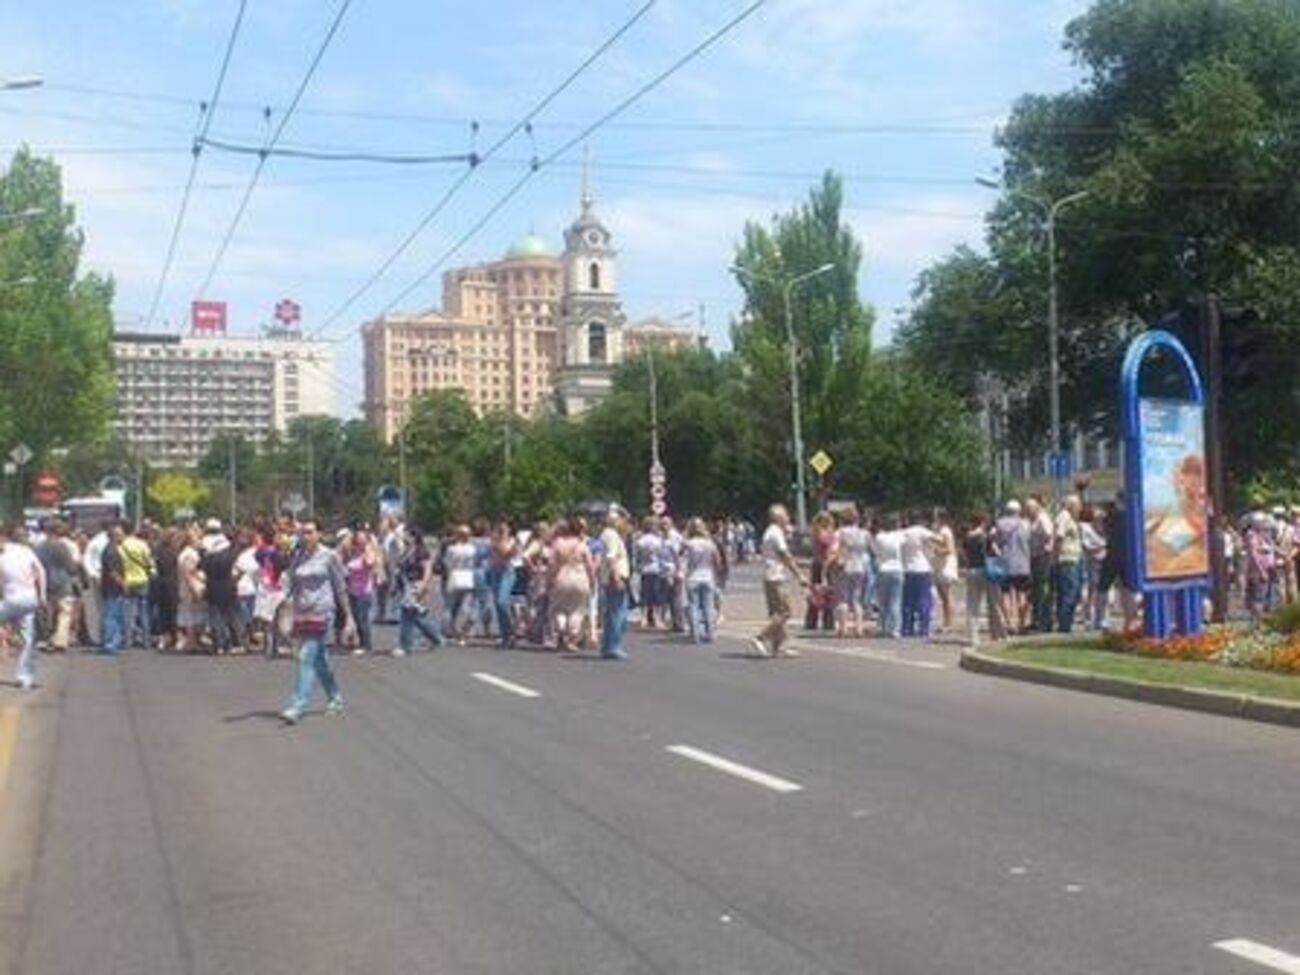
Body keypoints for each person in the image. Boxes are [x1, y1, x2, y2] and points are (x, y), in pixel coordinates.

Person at [280, 519, 355, 724]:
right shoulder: (299, 556)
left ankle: (297, 706)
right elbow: (291, 584)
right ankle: (335, 696)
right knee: (319, 661)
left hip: (323, 612)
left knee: (306, 658)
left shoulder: (330, 556)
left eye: (310, 532)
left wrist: (349, 616)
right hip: (302, 612)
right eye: (303, 532)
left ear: (319, 534)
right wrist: (284, 608)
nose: (306, 536)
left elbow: (340, 587)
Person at [752, 504, 807, 658]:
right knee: (785, 612)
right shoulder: (776, 533)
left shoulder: (771, 532)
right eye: (786, 515)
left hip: (770, 576)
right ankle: (760, 637)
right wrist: (799, 575)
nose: (789, 518)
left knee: (777, 613)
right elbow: (785, 556)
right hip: (776, 577)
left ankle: (777, 648)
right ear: (779, 517)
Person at [0, 523, 47, 690]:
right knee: (28, 639)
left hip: (11, 599)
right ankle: (25, 678)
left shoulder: (3, 553)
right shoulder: (27, 551)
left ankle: (6, 638)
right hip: (30, 599)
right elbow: (41, 571)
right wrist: (42, 595)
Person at [548, 518, 596, 653]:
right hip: (580, 578)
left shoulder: (557, 543)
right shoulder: (582, 546)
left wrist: (549, 581)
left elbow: (552, 565)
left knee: (559, 609)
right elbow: (590, 566)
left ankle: (561, 630)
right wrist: (593, 582)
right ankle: (571, 636)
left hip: (562, 578)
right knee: (577, 610)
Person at [396, 528, 445, 655]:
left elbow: (427, 569)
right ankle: (436, 637)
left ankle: (405, 646)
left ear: (413, 537)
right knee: (414, 616)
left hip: (416, 584)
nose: (403, 537)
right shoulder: (407, 550)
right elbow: (401, 568)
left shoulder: (421, 551)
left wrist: (423, 584)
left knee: (406, 614)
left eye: (406, 535)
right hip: (407, 584)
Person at [34, 519, 79, 654]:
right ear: (58, 530)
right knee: (64, 613)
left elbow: (36, 566)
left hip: (45, 582)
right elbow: (71, 567)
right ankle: (60, 641)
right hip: (63, 583)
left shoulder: (39, 547)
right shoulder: (62, 547)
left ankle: (44, 639)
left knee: (46, 613)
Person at [962, 514, 1006, 644]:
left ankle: (973, 637)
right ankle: (998, 634)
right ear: (982, 523)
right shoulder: (986, 537)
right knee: (993, 604)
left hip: (972, 571)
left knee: (973, 605)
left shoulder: (967, 537)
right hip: (987, 571)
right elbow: (996, 553)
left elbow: (964, 555)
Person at [200, 522, 242, 654]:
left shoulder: (207, 559)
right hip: (228, 586)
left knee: (215, 616)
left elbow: (202, 571)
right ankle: (234, 642)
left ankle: (218, 643)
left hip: (212, 586)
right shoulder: (229, 557)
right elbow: (238, 570)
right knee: (231, 614)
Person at [683, 517, 722, 644]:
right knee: (708, 606)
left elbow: (681, 558)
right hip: (707, 576)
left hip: (693, 576)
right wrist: (716, 572)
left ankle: (695, 635)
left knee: (693, 606)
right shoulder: (710, 543)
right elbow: (717, 561)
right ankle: (710, 633)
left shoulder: (688, 543)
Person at [900, 514, 941, 638]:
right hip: (923, 568)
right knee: (924, 599)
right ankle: (924, 628)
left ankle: (907, 628)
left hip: (908, 568)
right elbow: (939, 539)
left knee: (907, 601)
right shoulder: (921, 531)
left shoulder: (904, 533)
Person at [597, 512, 631, 659]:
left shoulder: (607, 534)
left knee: (612, 613)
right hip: (615, 577)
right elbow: (612, 557)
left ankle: (607, 646)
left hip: (610, 577)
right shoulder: (611, 535)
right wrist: (616, 578)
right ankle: (613, 646)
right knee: (618, 613)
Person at [340, 529, 379, 656]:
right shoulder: (353, 553)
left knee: (363, 619)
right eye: (358, 539)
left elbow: (369, 563)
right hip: (352, 591)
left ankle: (367, 645)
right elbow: (340, 551)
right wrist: (349, 538)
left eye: (363, 539)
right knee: (355, 619)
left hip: (364, 592)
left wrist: (368, 547)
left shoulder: (369, 553)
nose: (360, 541)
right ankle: (358, 642)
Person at [994, 500, 1031, 633]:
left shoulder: (1000, 523)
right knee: (1022, 594)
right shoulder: (1026, 524)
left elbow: (997, 542)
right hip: (1023, 564)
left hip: (1006, 563)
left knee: (1005, 594)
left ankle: (1009, 623)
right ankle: (1021, 623)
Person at [833, 508, 871, 638]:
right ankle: (858, 627)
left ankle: (843, 628)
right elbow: (869, 549)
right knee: (856, 598)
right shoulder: (864, 533)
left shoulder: (840, 532)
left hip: (845, 566)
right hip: (860, 567)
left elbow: (834, 549)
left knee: (843, 598)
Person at [120, 522, 156, 649]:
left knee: (128, 611)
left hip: (127, 580)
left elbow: (120, 563)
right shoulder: (142, 544)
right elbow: (149, 561)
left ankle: (128, 640)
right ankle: (146, 640)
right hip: (142, 579)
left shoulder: (122, 545)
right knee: (144, 611)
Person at [871, 514, 906, 639]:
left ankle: (882, 627)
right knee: (895, 601)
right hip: (897, 569)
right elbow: (904, 547)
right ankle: (895, 629)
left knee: (883, 602)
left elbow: (875, 552)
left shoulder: (880, 537)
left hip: (883, 569)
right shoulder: (900, 536)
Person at [1054, 494, 1084, 633]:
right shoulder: (1064, 516)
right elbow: (1059, 537)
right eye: (1078, 505)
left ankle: (1066, 623)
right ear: (1071, 505)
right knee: (1069, 593)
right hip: (1067, 559)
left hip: (1074, 559)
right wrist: (1056, 557)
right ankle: (1064, 625)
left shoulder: (1071, 518)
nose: (1080, 508)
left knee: (1073, 593)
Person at [487, 519, 518, 649]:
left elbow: (505, 553)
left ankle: (511, 631)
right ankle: (505, 636)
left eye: (504, 528)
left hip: (507, 573)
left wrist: (504, 537)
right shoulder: (493, 540)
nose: (501, 530)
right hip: (495, 573)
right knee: (498, 606)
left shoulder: (513, 541)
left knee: (502, 601)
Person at [443, 524, 477, 642]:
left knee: (450, 606)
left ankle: (448, 629)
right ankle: (466, 629)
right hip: (468, 577)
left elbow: (447, 564)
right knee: (466, 605)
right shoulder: (472, 549)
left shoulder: (451, 549)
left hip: (454, 576)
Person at [99, 523, 129, 655]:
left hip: (112, 589)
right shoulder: (111, 551)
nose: (124, 537)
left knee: (114, 616)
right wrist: (123, 584)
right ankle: (110, 643)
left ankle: (113, 642)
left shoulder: (112, 549)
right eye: (121, 535)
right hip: (112, 589)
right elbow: (113, 572)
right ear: (115, 536)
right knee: (111, 616)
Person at [804, 512, 837, 632]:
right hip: (824, 565)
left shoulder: (815, 533)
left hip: (817, 564)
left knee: (816, 593)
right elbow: (830, 548)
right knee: (826, 593)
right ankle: (828, 621)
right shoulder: (824, 534)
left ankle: (811, 621)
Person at [1026, 496, 1055, 632]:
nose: (1027, 511)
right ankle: (1036, 619)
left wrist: (1047, 549)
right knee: (1036, 591)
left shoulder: (1043, 519)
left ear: (1036, 507)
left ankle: (1044, 621)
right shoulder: (1034, 520)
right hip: (1036, 557)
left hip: (1043, 558)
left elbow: (1050, 536)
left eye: (1030, 508)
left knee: (1042, 590)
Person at [633, 517, 664, 629]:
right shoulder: (658, 541)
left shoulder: (640, 541)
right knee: (656, 595)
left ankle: (644, 618)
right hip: (656, 569)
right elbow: (662, 557)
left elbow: (637, 557)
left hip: (644, 570)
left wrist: (637, 567)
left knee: (644, 595)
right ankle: (657, 619)